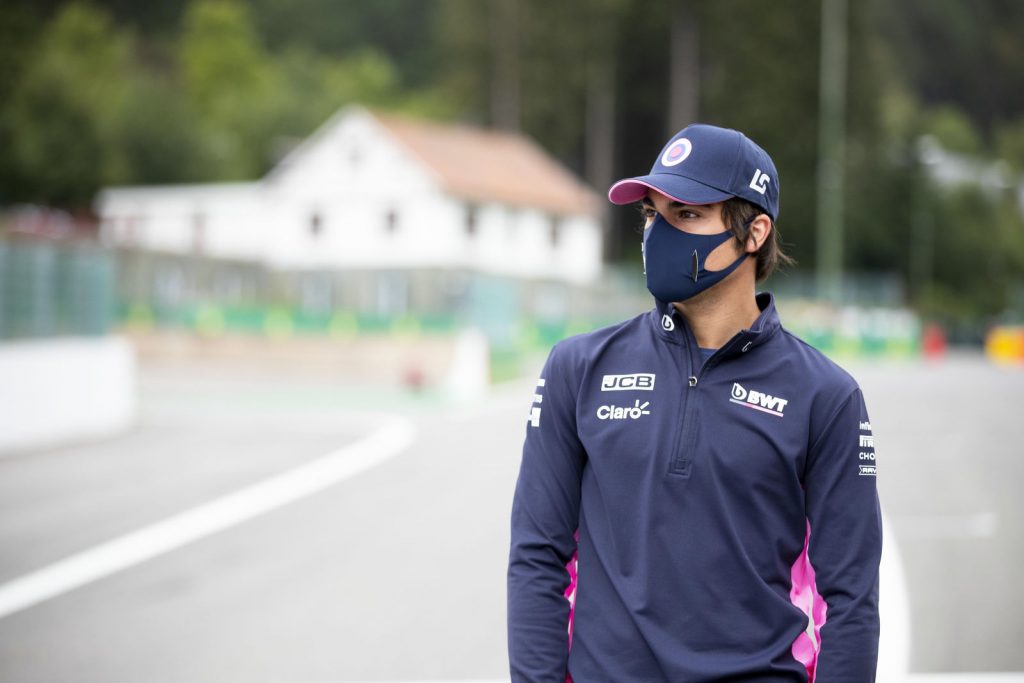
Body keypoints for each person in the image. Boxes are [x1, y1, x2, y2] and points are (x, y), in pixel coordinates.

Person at [507, 123, 881, 682]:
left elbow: (852, 599)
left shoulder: (826, 396)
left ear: (754, 232)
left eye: (687, 216)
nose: (659, 233)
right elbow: (536, 558)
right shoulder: (578, 369)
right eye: (653, 215)